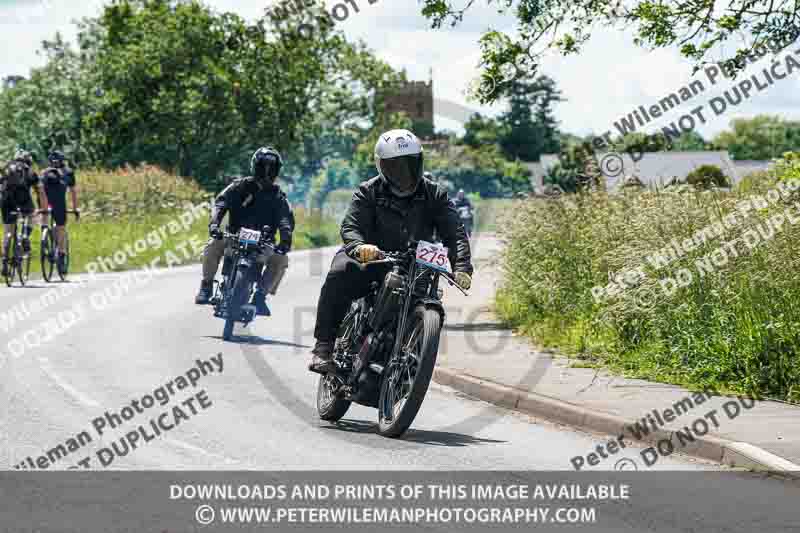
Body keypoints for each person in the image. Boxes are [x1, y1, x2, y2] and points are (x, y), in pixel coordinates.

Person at [308, 129, 473, 373]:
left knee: (430, 298)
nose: (404, 173)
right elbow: (351, 225)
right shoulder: (368, 191)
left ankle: (413, 360)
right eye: (396, 167)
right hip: (373, 259)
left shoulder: (435, 194)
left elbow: (455, 232)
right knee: (340, 272)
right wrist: (359, 246)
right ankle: (323, 347)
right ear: (382, 167)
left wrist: (461, 267)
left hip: (415, 264)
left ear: (420, 162)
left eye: (410, 164)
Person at [195, 146, 294, 316]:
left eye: (271, 168)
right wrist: (214, 224)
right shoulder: (239, 186)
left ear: (277, 170)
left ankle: (260, 297)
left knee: (281, 259)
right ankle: (206, 285)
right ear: (255, 166)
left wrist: (285, 239)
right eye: (263, 166)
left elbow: (286, 220)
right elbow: (220, 203)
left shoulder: (278, 196)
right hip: (233, 236)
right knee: (212, 245)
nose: (266, 172)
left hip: (263, 243)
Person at [1, 150, 46, 277]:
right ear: (29, 161)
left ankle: (4, 261)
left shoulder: (7, 168)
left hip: (6, 202)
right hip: (23, 201)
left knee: (8, 231)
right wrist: (42, 209)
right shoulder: (30, 172)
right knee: (32, 215)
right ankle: (25, 235)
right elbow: (40, 192)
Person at [40, 150, 80, 274]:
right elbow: (73, 192)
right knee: (61, 227)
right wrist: (75, 208)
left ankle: (44, 231)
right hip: (59, 203)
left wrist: (42, 207)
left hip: (46, 202)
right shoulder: (68, 172)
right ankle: (62, 256)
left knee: (46, 215)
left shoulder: (44, 172)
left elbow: (39, 190)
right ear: (63, 161)